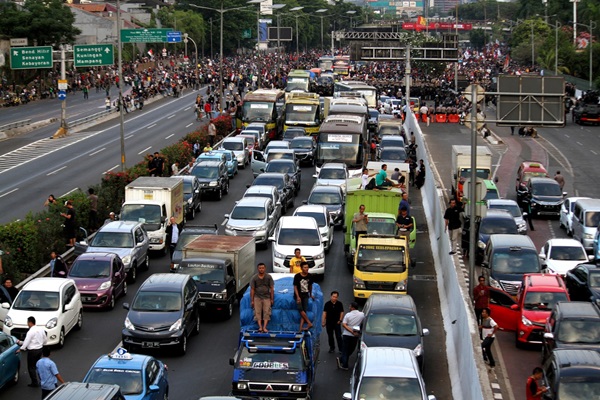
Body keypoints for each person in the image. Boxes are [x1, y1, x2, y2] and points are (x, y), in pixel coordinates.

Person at [16, 316, 47, 387]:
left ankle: (34, 382)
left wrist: (21, 349)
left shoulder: (30, 332)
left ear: (30, 322)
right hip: (39, 350)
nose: (27, 324)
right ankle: (42, 380)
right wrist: (43, 345)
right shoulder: (41, 329)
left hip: (32, 351)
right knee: (38, 365)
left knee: (31, 367)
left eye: (27, 322)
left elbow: (27, 342)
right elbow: (45, 339)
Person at [337, 302, 365, 370]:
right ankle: (343, 361)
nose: (349, 307)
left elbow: (344, 324)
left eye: (350, 306)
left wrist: (351, 331)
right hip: (355, 335)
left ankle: (344, 364)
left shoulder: (348, 315)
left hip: (346, 334)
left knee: (345, 349)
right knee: (351, 349)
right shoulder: (362, 314)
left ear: (352, 307)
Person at [250, 263, 274, 333]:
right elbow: (252, 289)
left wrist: (272, 299)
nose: (261, 269)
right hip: (257, 297)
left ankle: (264, 327)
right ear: (258, 269)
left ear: (265, 268)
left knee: (267, 312)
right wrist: (252, 300)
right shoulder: (254, 278)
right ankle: (260, 327)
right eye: (260, 268)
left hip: (267, 297)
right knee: (257, 312)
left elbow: (272, 288)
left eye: (262, 268)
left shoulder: (268, 277)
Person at [293, 262, 314, 331]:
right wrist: (298, 296)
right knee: (300, 309)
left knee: (303, 311)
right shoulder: (297, 276)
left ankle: (300, 328)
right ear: (301, 268)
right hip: (299, 295)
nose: (306, 269)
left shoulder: (310, 276)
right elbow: (295, 287)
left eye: (307, 267)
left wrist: (310, 294)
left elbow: (310, 286)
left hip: (305, 295)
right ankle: (309, 323)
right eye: (305, 267)